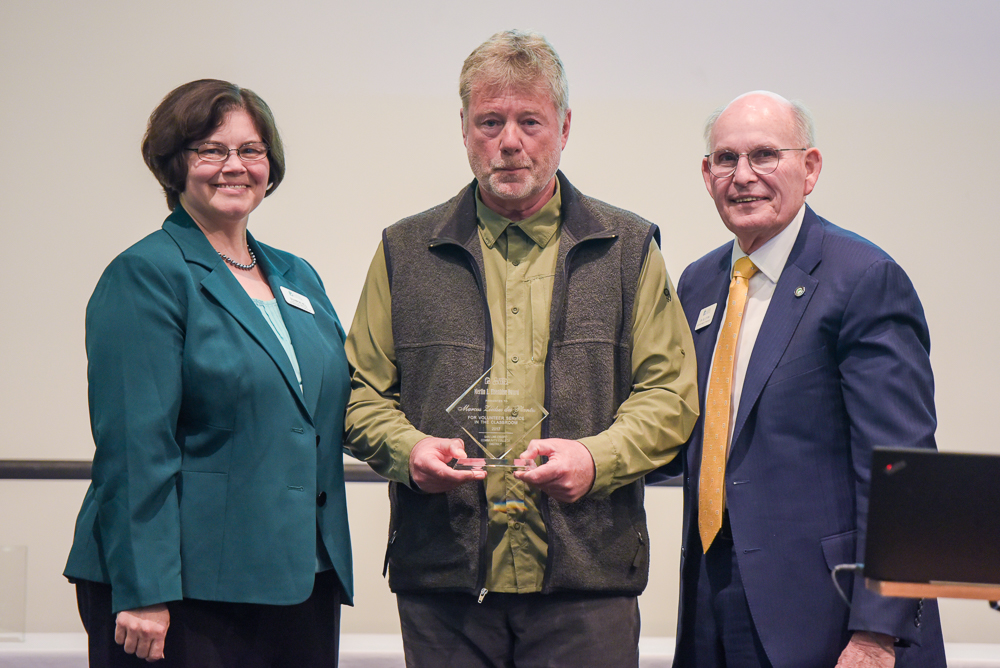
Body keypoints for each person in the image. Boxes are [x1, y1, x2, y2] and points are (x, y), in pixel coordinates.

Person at [344, 30, 698, 667]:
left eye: (530, 121)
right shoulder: (405, 251)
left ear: (565, 127)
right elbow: (359, 393)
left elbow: (669, 396)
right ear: (463, 129)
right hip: (446, 588)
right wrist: (408, 450)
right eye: (490, 121)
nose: (509, 141)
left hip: (587, 589)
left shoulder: (628, 249)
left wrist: (595, 458)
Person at [63, 79, 353, 667]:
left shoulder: (297, 276)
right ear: (175, 163)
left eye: (251, 150)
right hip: (183, 589)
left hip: (302, 575)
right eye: (211, 150)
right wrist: (144, 588)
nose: (234, 166)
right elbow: (134, 447)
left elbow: (318, 411)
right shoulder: (146, 274)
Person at [657, 91, 946, 667]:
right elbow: (695, 433)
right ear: (707, 175)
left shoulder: (863, 278)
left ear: (810, 168)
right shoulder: (699, 282)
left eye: (765, 155)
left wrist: (877, 633)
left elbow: (903, 470)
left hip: (828, 616)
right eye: (726, 159)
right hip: (711, 600)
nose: (743, 176)